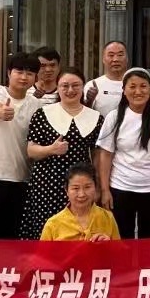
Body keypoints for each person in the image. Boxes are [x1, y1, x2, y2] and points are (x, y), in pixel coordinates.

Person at [38, 166, 119, 298]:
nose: (81, 194)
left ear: (96, 189)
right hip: (66, 291)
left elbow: (121, 258)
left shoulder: (106, 217)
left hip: (98, 289)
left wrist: (108, 245)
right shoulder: (53, 224)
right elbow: (41, 265)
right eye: (75, 188)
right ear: (66, 190)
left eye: (87, 187)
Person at [96, 67, 150, 239]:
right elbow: (106, 154)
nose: (138, 91)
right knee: (121, 240)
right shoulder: (114, 117)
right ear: (124, 90)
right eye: (132, 86)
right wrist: (104, 189)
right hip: (121, 187)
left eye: (143, 86)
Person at [22, 68, 104, 239]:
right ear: (58, 88)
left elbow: (97, 155)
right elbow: (31, 150)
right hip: (47, 183)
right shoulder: (43, 114)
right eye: (64, 86)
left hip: (81, 185)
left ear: (83, 87)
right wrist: (51, 149)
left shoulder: (96, 117)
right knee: (47, 232)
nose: (70, 90)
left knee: (81, 229)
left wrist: (98, 186)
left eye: (76, 85)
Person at [0, 51, 38, 240]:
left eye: (29, 73)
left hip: (22, 179)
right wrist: (1, 111)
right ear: (9, 73)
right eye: (19, 71)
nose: (24, 77)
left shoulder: (36, 105)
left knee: (13, 238)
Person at [85, 40, 129, 117]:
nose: (115, 59)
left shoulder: (135, 85)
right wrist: (90, 101)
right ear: (103, 59)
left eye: (120, 55)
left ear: (127, 58)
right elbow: (83, 114)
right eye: (111, 55)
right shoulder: (92, 85)